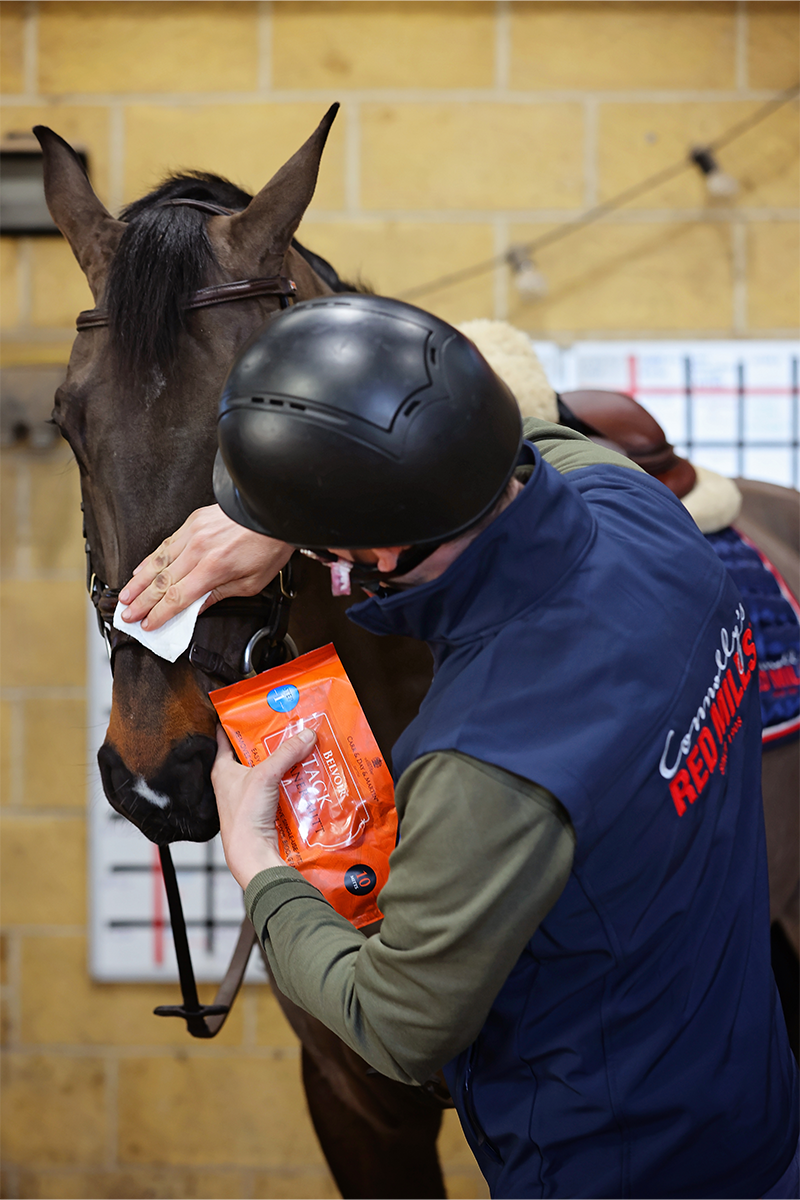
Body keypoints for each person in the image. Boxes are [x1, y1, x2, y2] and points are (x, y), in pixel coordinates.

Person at [120, 295, 798, 1199]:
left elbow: (401, 1028)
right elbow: (544, 447)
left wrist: (261, 866)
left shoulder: (482, 757)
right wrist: (295, 511)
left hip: (619, 1172)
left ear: (377, 550)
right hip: (759, 1120)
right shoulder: (641, 514)